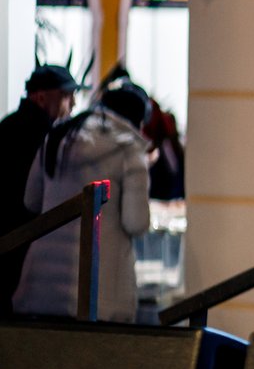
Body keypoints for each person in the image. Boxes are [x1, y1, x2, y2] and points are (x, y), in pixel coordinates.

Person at [14, 81, 153, 322]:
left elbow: (31, 201)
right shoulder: (129, 149)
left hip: (41, 285)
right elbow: (136, 222)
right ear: (136, 121)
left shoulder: (56, 137)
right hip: (100, 292)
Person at [1, 65, 85, 316]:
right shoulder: (47, 136)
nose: (72, 104)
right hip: (23, 240)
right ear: (41, 97)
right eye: (66, 96)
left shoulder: (6, 126)